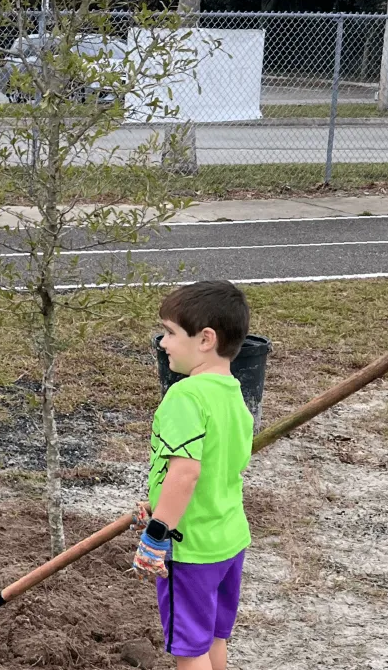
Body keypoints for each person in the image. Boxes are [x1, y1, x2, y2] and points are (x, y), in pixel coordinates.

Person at [129, 280, 254, 670]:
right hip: (229, 541)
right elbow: (218, 466)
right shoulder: (232, 392)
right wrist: (156, 503)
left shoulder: (185, 396)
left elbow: (185, 474)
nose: (163, 342)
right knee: (214, 638)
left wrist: (157, 532)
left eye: (169, 332)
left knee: (189, 649)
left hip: (190, 549)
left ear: (205, 339)